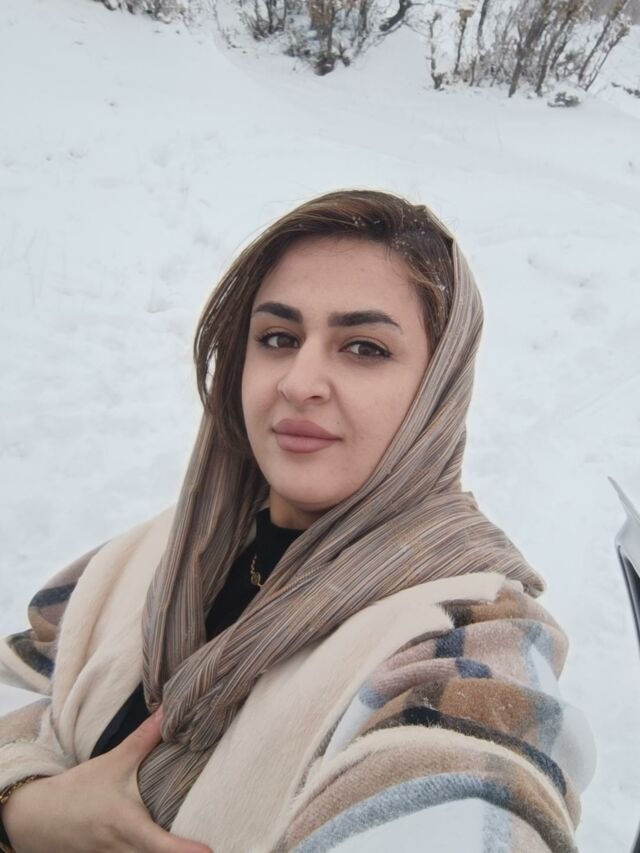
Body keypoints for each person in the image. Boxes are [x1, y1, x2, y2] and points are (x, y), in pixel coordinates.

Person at [0, 188, 596, 852]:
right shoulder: (163, 551)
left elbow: (471, 793)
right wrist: (24, 802)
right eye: (278, 338)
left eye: (364, 348)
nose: (298, 382)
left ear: (439, 388)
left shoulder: (471, 631)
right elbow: (23, 682)